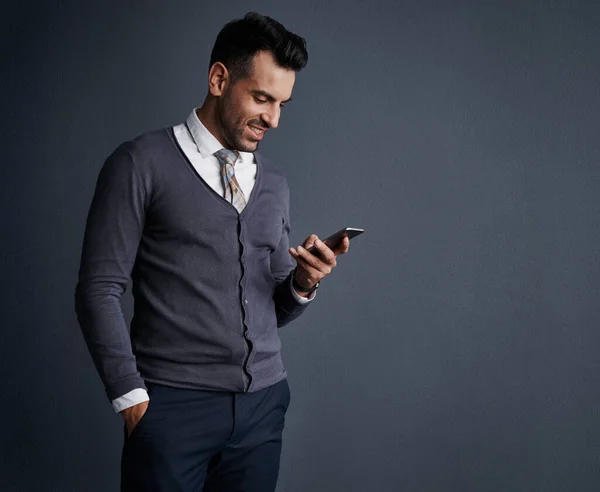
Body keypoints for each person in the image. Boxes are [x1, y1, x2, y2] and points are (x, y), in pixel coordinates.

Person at [75, 11, 349, 492]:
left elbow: (264, 308)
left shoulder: (276, 184)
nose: (274, 119)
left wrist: (304, 284)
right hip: (172, 410)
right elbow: (98, 289)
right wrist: (132, 400)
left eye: (282, 103)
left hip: (263, 407)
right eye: (262, 98)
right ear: (219, 79)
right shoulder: (140, 163)